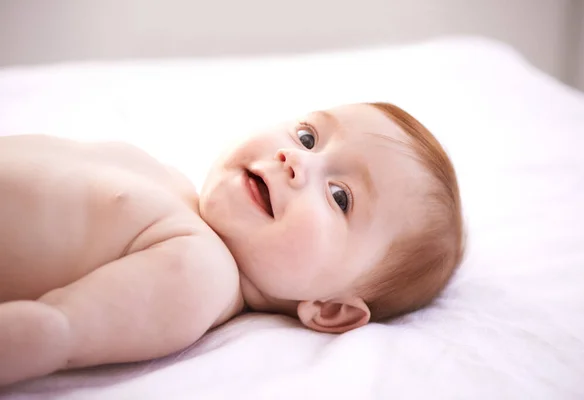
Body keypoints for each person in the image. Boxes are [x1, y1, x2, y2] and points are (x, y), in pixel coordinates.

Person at [0, 102, 464, 386]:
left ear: (331, 309)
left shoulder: (199, 274)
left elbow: (51, 331)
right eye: (308, 136)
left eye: (340, 196)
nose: (295, 159)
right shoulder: (175, 187)